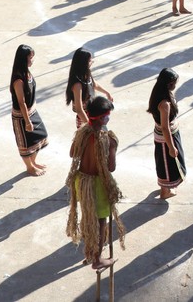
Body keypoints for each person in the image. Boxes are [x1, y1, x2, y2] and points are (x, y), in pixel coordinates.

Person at [66, 96, 125, 271]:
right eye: (107, 115)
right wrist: (113, 147)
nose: (109, 118)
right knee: (99, 222)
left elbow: (72, 153)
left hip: (82, 181)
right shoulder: (109, 139)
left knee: (87, 217)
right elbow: (111, 168)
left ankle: (89, 253)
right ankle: (97, 258)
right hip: (97, 185)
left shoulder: (82, 133)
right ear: (101, 117)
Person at [9, 44, 48, 176]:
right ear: (24, 59)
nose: (32, 60)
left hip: (32, 112)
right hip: (22, 116)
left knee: (41, 136)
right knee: (26, 144)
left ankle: (33, 161)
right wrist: (27, 121)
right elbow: (21, 102)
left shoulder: (27, 72)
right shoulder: (19, 79)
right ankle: (29, 167)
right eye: (30, 57)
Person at [149, 67, 185, 200]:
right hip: (165, 137)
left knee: (167, 163)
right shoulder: (164, 103)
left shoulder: (160, 94)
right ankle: (165, 191)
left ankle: (165, 188)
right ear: (169, 84)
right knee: (166, 164)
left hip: (168, 134)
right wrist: (171, 146)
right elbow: (165, 127)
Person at [65, 47, 113, 128]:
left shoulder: (87, 73)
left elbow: (94, 85)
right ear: (83, 63)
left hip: (94, 115)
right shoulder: (77, 85)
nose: (92, 62)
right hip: (84, 119)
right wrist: (89, 125)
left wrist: (106, 93)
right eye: (90, 60)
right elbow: (79, 110)